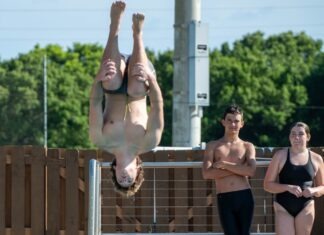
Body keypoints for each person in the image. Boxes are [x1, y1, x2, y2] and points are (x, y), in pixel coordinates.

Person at [89, 1, 164, 197]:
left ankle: (114, 26)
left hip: (112, 88)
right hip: (140, 84)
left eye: (120, 180)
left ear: (113, 170)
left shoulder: (101, 141)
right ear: (138, 171)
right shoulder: (149, 143)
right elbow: (157, 106)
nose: (124, 178)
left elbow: (95, 103)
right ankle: (137, 34)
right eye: (129, 179)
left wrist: (98, 79)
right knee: (137, 85)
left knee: (110, 81)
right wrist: (152, 79)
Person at [202, 104, 256, 235]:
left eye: (237, 121)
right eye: (230, 120)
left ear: (242, 123)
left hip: (244, 196)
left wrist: (225, 165)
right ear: (223, 122)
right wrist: (239, 169)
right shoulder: (213, 146)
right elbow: (207, 173)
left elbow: (251, 171)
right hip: (224, 197)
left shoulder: (247, 146)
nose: (233, 124)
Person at [263, 122, 324, 235]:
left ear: (308, 137)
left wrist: (313, 190)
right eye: (293, 134)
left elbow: (323, 187)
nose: (296, 137)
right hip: (283, 206)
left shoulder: (316, 159)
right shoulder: (280, 156)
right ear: (289, 137)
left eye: (301, 134)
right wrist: (287, 187)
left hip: (306, 206)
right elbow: (267, 185)